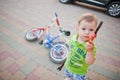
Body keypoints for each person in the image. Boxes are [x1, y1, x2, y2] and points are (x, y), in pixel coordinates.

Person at [64, 13, 98, 80]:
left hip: (79, 73)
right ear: (77, 29)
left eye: (91, 30)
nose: (87, 32)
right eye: (83, 29)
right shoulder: (73, 38)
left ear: (95, 33)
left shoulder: (91, 47)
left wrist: (90, 51)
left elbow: (89, 62)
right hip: (68, 66)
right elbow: (70, 48)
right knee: (68, 76)